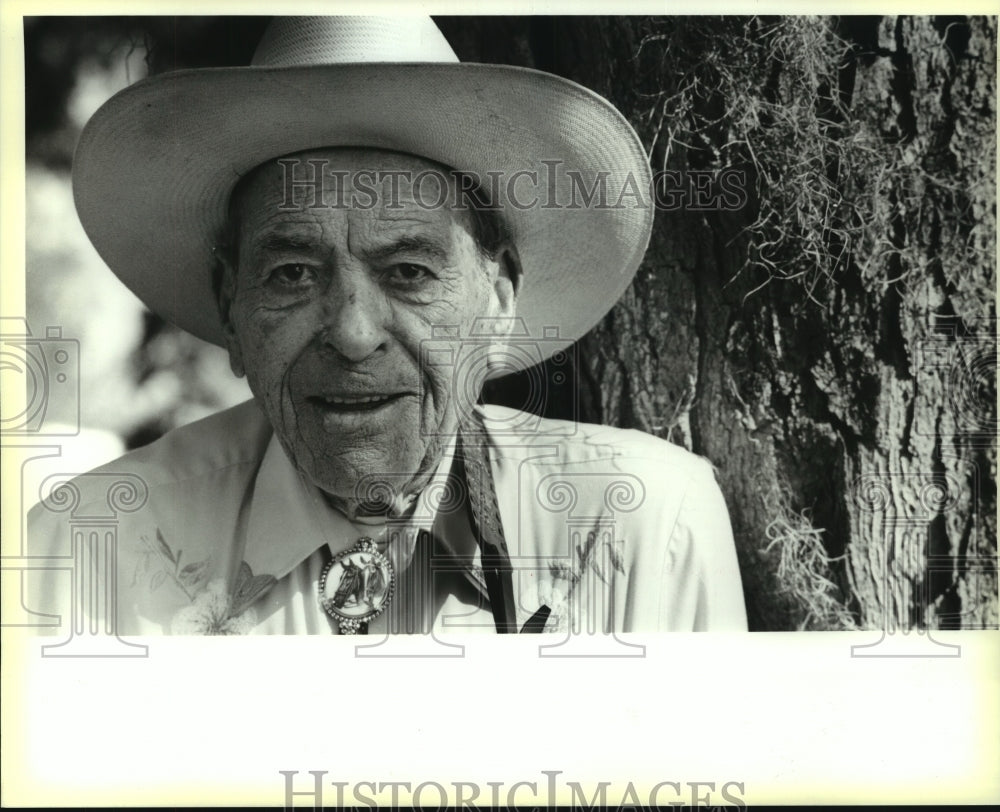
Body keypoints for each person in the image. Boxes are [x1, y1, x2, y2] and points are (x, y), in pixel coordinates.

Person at [26, 16, 747, 636]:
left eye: (407, 272)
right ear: (231, 308)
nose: (353, 332)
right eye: (292, 274)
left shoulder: (644, 527)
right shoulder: (95, 545)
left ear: (497, 303)